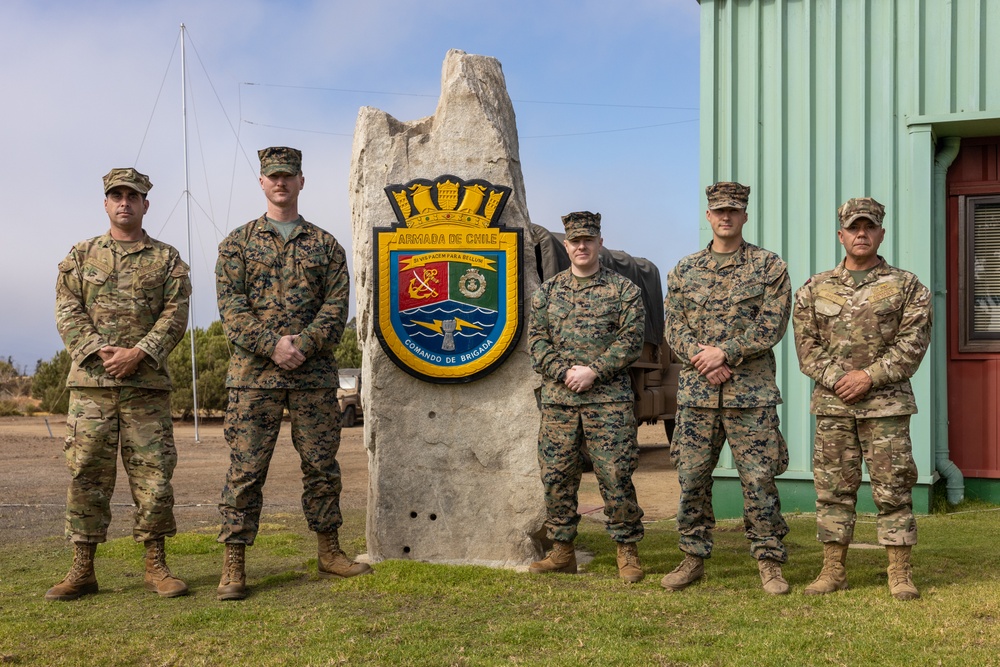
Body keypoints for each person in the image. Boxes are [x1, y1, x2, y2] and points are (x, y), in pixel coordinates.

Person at [214, 146, 370, 601]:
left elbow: (338, 306)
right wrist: (272, 346)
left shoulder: (325, 245)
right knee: (245, 471)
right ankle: (234, 565)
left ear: (301, 181)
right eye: (272, 176)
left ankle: (329, 551)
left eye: (288, 176)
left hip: (312, 375)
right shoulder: (237, 244)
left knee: (321, 467)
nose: (280, 183)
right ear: (261, 182)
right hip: (252, 378)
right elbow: (232, 308)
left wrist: (300, 345)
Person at [48, 168, 191, 601]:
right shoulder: (81, 255)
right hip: (91, 387)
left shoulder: (167, 260)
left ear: (146, 204)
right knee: (86, 473)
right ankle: (83, 568)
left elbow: (176, 314)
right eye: (117, 195)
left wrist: (139, 354)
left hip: (145, 388)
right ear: (106, 203)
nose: (125, 202)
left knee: (154, 477)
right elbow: (67, 308)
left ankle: (156, 565)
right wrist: (99, 350)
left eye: (134, 195)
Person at [792, 197, 932, 601]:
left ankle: (900, 572)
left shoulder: (908, 286)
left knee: (893, 488)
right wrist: (839, 379)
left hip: (886, 407)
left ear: (881, 233)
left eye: (869, 227)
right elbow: (807, 347)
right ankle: (833, 569)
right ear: (841, 235)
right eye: (854, 227)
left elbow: (913, 343)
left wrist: (868, 376)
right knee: (833, 489)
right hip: (835, 407)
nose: (861, 234)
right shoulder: (815, 287)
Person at [662, 181, 792, 595]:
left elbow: (772, 324)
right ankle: (692, 557)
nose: (725, 217)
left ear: (744, 216)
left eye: (733, 211)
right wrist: (704, 357)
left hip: (750, 397)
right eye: (719, 211)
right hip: (698, 398)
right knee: (693, 479)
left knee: (759, 481)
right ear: (708, 216)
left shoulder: (769, 266)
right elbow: (673, 326)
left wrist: (726, 353)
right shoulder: (684, 270)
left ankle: (769, 560)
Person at [527, 211, 646, 583]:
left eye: (588, 240)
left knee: (616, 476)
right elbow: (536, 341)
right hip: (561, 403)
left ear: (599, 243)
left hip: (608, 402)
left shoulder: (624, 290)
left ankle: (627, 551)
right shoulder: (547, 292)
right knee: (557, 477)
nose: (581, 246)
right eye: (575, 241)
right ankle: (562, 551)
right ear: (566, 246)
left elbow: (631, 340)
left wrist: (594, 370)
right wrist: (564, 372)